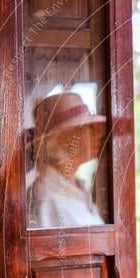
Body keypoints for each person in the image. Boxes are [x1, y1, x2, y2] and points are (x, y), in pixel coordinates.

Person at [26, 91, 107, 229]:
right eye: (90, 128)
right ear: (64, 138)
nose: (98, 134)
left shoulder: (75, 188)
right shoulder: (47, 199)